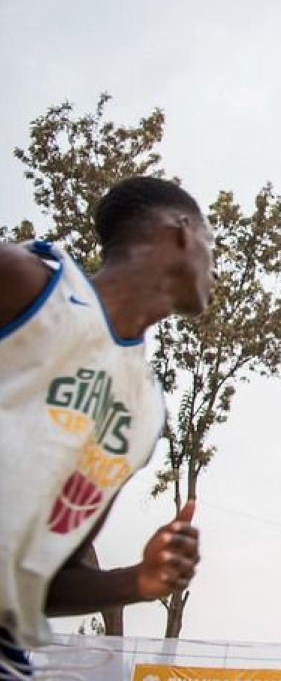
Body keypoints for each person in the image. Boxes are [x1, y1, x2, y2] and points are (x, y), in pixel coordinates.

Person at [0, 176, 213, 678]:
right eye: (210, 243)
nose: (214, 268)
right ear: (180, 232)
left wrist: (139, 580)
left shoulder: (141, 411)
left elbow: (47, 581)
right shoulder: (28, 285)